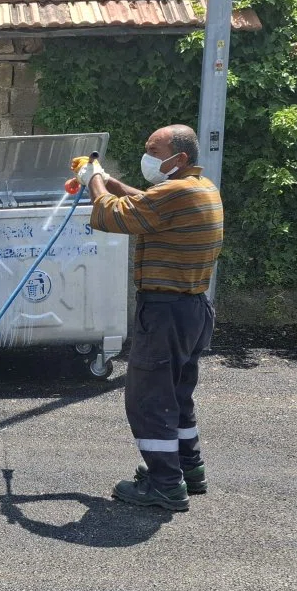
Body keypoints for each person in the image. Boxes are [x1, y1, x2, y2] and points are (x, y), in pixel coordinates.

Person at [74, 125, 224, 512]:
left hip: (165, 313)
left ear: (180, 158)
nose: (148, 157)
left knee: (149, 400)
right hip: (192, 310)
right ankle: (189, 469)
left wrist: (93, 181)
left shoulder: (175, 192)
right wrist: (110, 181)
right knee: (176, 395)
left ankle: (165, 484)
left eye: (154, 151)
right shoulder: (199, 187)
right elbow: (145, 205)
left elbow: (111, 215)